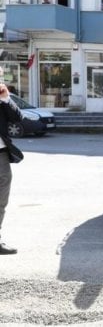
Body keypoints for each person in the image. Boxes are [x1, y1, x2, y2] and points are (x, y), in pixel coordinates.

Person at [0, 70, 22, 255]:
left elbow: (17, 118)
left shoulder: (2, 98)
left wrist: (6, 99)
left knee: (1, 200)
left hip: (1, 155)